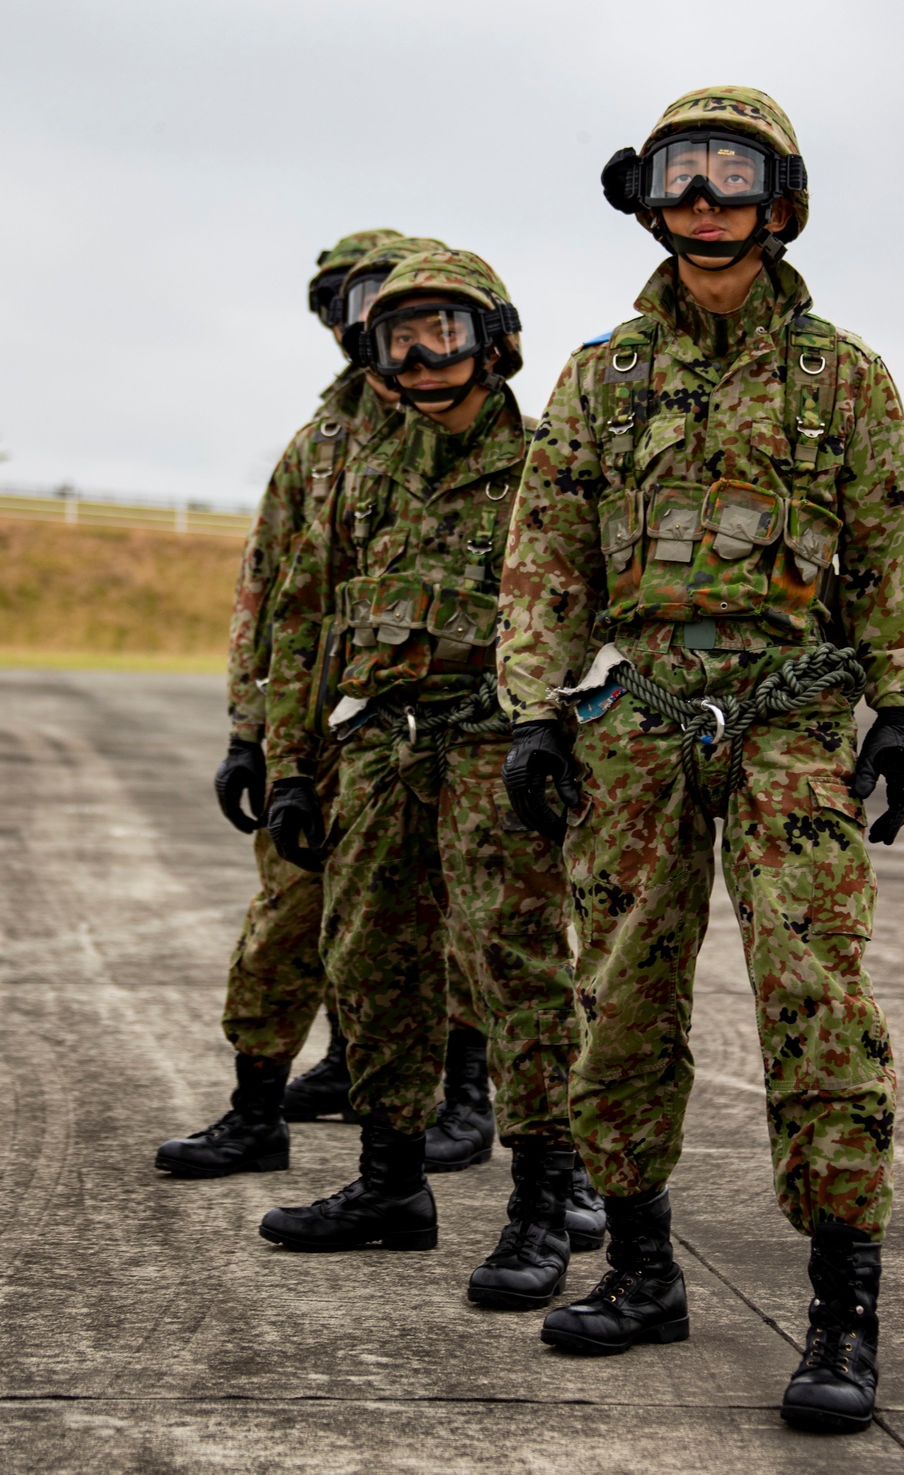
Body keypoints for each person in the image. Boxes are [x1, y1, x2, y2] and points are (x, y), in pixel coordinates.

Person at [496, 87, 904, 1430]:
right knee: (619, 995)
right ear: (646, 196)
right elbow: (547, 553)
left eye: (729, 174)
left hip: (790, 726)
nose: (702, 198)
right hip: (636, 727)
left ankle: (842, 1316)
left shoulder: (842, 376)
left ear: (780, 199)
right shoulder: (601, 377)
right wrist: (533, 709)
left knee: (818, 1009)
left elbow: (896, 545)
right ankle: (640, 1270)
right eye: (679, 173)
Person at [258, 249, 605, 1303]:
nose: (419, 353)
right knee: (369, 963)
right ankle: (389, 1186)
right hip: (377, 751)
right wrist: (288, 764)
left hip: (499, 748)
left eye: (442, 329)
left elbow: (592, 619)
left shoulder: (551, 463)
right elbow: (306, 623)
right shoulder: (362, 468)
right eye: (396, 333)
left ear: (493, 339)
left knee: (518, 975)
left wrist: (565, 740)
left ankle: (544, 1204)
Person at [154, 228, 413, 1176]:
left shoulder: (480, 432)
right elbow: (269, 598)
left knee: (458, 930)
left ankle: (459, 1103)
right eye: (346, 303)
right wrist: (248, 735)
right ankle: (257, 1109)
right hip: (318, 725)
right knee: (287, 912)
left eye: (385, 294)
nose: (369, 319)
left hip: (436, 728)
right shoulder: (322, 443)